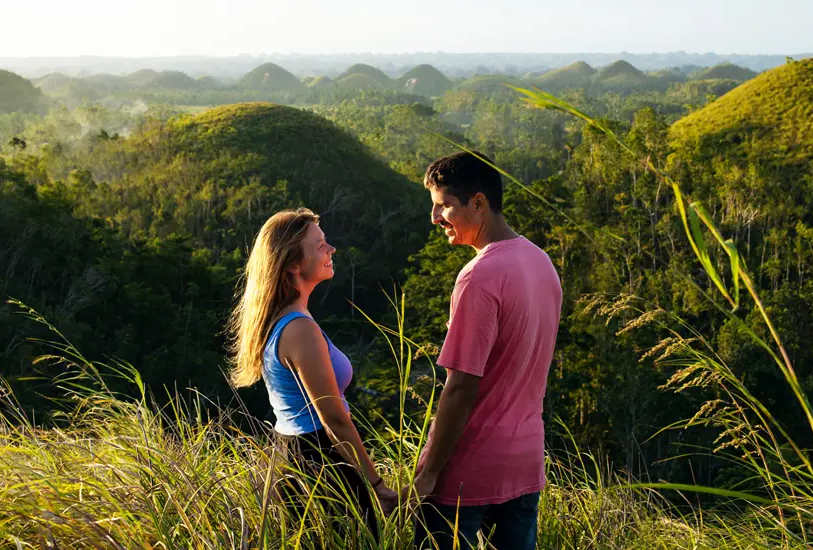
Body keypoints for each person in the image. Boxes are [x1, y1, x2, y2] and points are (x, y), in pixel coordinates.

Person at [404, 152, 564, 550]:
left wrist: (427, 474)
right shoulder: (541, 262)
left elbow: (460, 387)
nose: (435, 218)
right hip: (525, 462)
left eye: (443, 206)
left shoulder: (479, 277)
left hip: (468, 471)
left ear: (478, 203)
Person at [228, 208, 397, 537]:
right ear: (293, 264)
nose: (331, 249)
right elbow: (334, 418)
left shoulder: (281, 319)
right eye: (320, 245)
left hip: (292, 456)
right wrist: (375, 484)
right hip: (321, 463)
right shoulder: (299, 329)